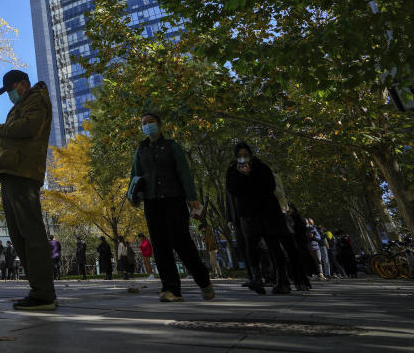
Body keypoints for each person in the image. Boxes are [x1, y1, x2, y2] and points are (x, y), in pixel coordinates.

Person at [0, 69, 56, 311]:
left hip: (23, 174)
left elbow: (28, 128)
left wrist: (1, 129)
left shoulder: (36, 99)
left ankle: (44, 293)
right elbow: (18, 129)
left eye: (11, 89)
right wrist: (0, 129)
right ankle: (38, 290)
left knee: (31, 233)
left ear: (23, 84)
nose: (10, 96)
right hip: (13, 173)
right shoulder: (23, 103)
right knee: (18, 234)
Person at [128, 113, 214, 302]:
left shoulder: (172, 147)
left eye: (150, 122)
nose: (147, 126)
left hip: (174, 199)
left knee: (181, 242)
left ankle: (204, 281)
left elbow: (184, 171)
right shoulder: (141, 150)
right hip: (152, 202)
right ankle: (171, 289)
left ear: (159, 124)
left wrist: (191, 197)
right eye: (144, 123)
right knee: (159, 246)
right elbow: (135, 174)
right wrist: (133, 196)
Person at [226, 142, 306, 295]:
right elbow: (231, 190)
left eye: (245, 154)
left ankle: (282, 280)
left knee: (274, 246)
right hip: (248, 215)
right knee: (251, 247)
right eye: (240, 155)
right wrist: (242, 177)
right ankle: (256, 278)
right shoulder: (232, 170)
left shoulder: (261, 167)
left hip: (268, 213)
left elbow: (269, 187)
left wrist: (250, 176)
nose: (243, 158)